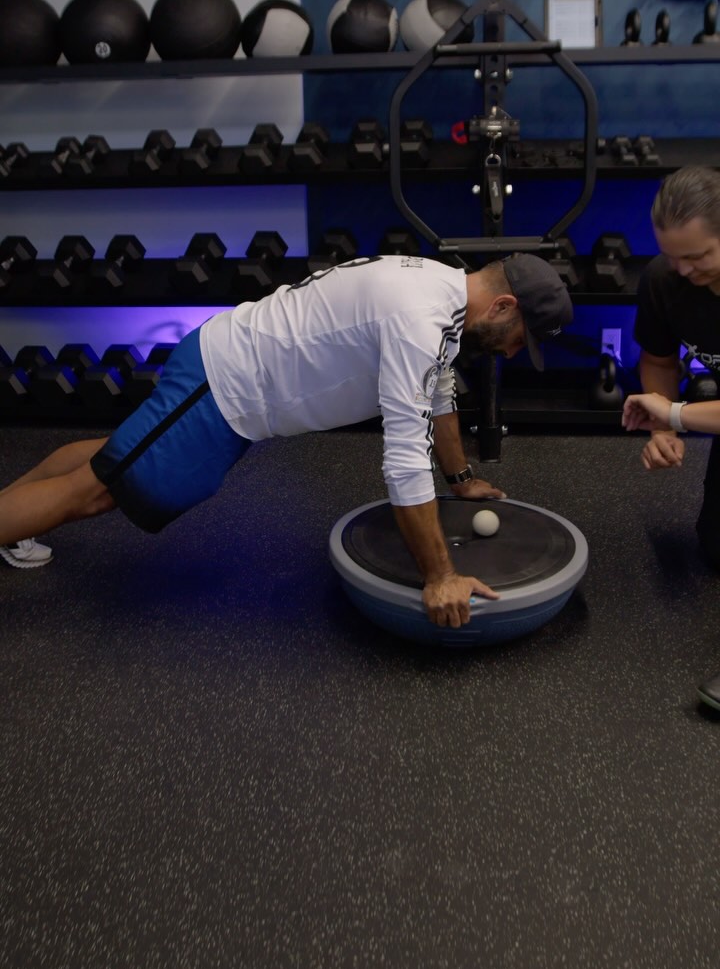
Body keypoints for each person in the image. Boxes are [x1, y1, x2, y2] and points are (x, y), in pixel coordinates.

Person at [0, 251, 572, 630]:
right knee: (103, 491)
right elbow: (403, 458)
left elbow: (438, 395)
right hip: (223, 385)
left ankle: (13, 516)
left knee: (121, 457)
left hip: (234, 391)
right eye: (519, 338)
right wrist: (440, 576)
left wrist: (461, 480)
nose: (512, 352)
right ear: (503, 306)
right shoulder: (420, 318)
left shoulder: (440, 295)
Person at [629, 164, 720, 707]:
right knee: (716, 547)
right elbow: (659, 361)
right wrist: (664, 426)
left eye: (699, 257)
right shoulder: (665, 279)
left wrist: (678, 414)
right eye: (673, 256)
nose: (683, 270)